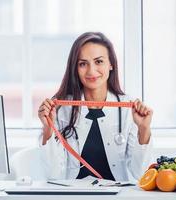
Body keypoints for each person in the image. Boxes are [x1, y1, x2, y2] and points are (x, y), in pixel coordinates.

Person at [38, 32, 153, 181]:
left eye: (98, 62)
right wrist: (48, 128)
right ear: (75, 68)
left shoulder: (128, 110)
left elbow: (142, 174)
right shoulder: (60, 109)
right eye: (83, 64)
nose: (91, 71)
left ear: (111, 64)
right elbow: (53, 175)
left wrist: (144, 129)